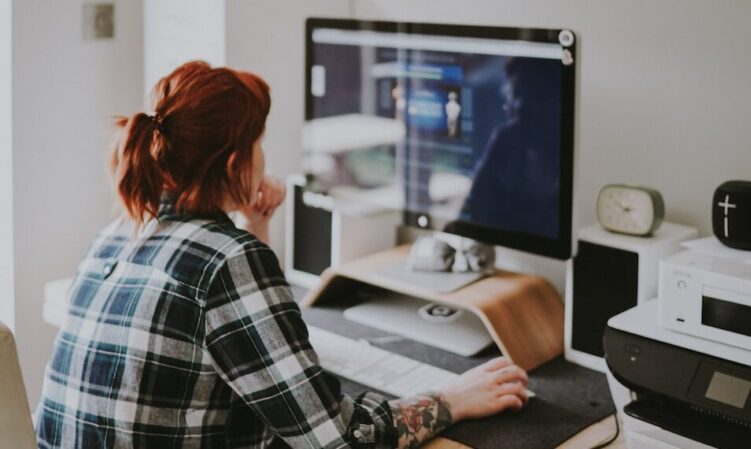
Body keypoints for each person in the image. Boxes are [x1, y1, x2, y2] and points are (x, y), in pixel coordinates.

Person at [35, 61, 529, 449]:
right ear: (236, 163)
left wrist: (256, 226)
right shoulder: (227, 261)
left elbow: (241, 341)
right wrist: (454, 399)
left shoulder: (120, 231)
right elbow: (336, 438)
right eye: (260, 145)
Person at [459, 58, 562, 238]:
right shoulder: (504, 146)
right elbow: (468, 217)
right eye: (515, 94)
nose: (521, 106)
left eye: (536, 96)